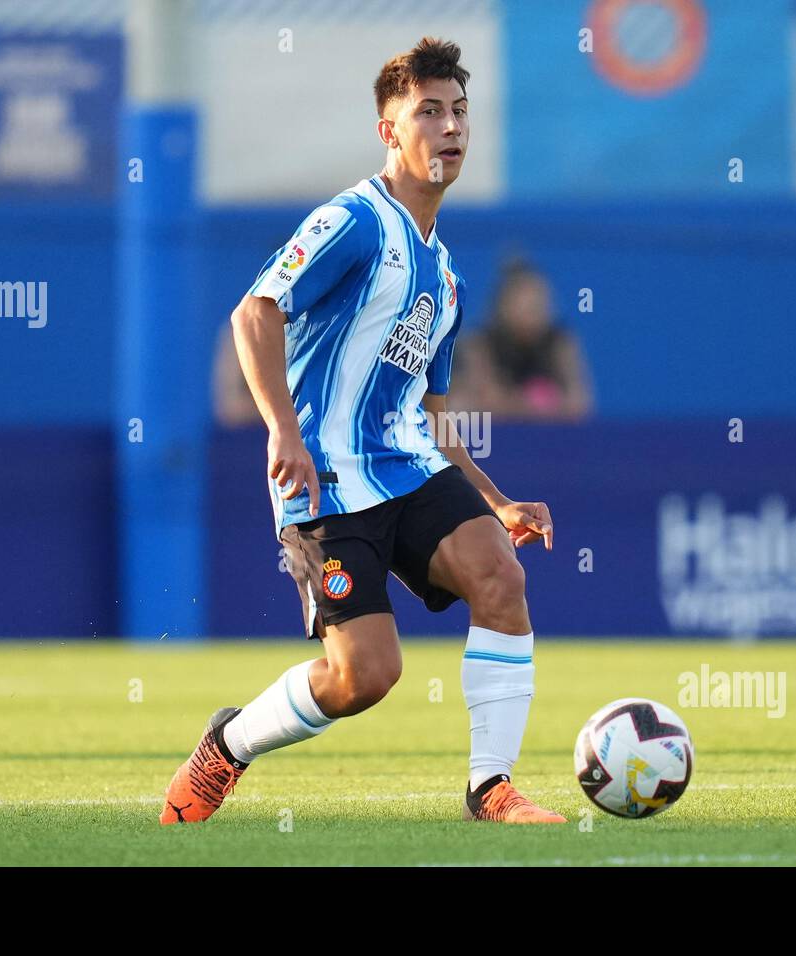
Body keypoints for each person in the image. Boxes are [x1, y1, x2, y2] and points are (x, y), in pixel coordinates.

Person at [160, 38, 565, 826]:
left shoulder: (444, 276)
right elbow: (254, 311)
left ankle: (491, 789)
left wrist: (497, 500)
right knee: (366, 676)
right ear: (388, 130)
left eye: (459, 112)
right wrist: (283, 428)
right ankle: (228, 745)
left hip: (408, 467)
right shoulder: (354, 221)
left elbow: (434, 417)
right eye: (428, 112)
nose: (449, 127)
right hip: (325, 481)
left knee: (500, 575)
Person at [453, 261, 593, 420]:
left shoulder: (560, 344)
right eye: (524, 303)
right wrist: (533, 405)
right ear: (503, 305)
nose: (532, 312)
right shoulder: (478, 344)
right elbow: (487, 402)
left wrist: (539, 404)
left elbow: (579, 403)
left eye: (537, 303)